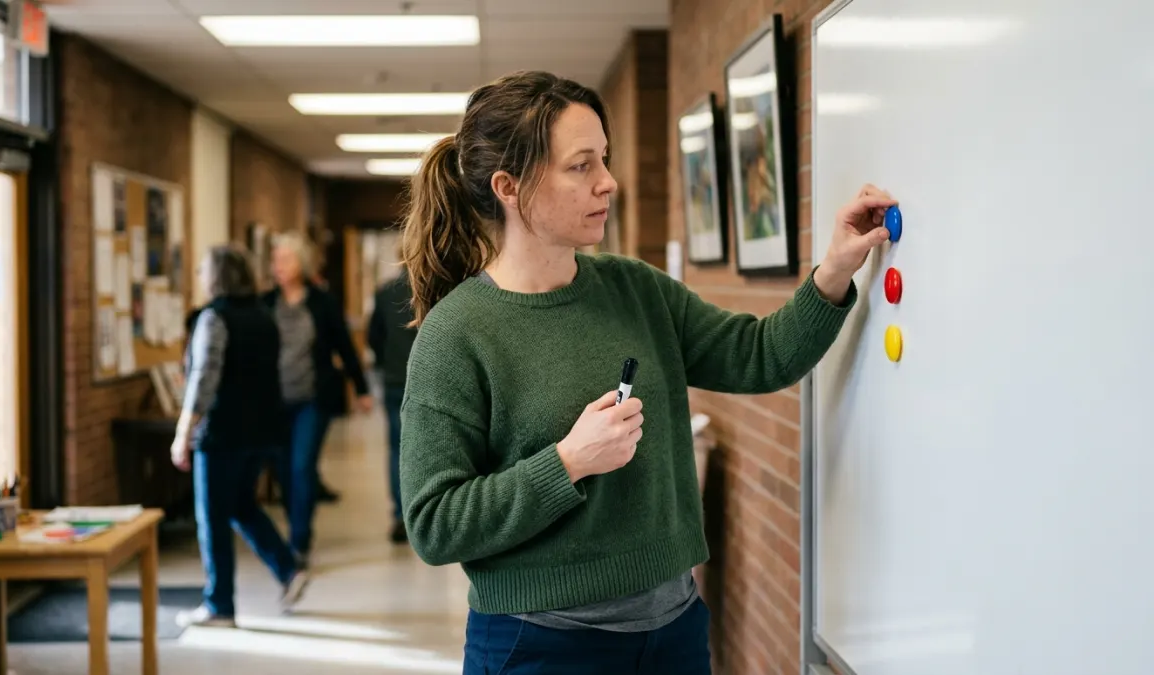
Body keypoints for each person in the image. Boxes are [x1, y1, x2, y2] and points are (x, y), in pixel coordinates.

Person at [398, 70, 895, 674]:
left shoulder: (635, 288)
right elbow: (434, 524)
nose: (609, 182)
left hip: (675, 630)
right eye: (581, 166)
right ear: (509, 186)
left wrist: (837, 267)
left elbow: (761, 355)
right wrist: (568, 462)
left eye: (603, 159)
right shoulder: (456, 334)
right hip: (541, 648)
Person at [171, 245, 310, 628]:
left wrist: (183, 432)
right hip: (261, 431)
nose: (199, 277)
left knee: (212, 516)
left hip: (222, 434)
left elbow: (203, 380)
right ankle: (288, 569)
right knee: (241, 506)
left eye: (202, 271)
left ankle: (219, 605)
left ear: (216, 276)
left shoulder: (214, 318)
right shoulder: (264, 317)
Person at [264, 231, 375, 567]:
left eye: (286, 259)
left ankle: (299, 542)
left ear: (302, 263)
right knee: (283, 471)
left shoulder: (322, 302)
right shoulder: (266, 303)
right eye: (275, 260)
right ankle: (296, 525)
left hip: (313, 398)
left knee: (301, 466)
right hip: (275, 401)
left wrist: (362, 388)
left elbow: (343, 345)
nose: (278, 266)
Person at [366, 260, 418, 544]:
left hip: (395, 378)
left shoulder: (385, 292)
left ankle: (400, 515)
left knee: (397, 447)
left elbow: (374, 337)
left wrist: (386, 362)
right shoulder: (438, 287)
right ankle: (421, 511)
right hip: (427, 377)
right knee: (427, 446)